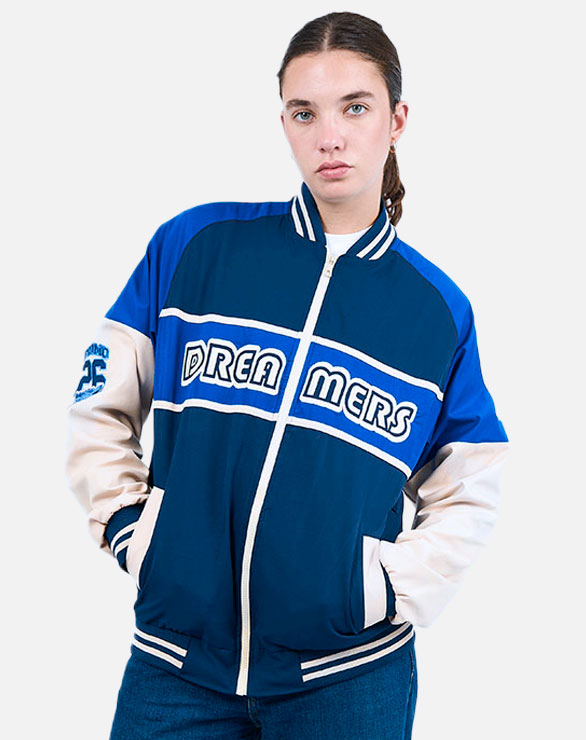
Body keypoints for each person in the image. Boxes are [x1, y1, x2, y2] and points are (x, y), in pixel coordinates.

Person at [65, 11, 510, 740]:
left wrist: (382, 589)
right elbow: (99, 406)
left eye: (355, 108)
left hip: (349, 682)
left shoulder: (435, 310)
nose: (329, 136)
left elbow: (470, 482)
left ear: (396, 120)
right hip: (177, 667)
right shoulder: (198, 246)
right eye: (305, 112)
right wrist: (131, 530)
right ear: (285, 124)